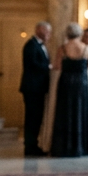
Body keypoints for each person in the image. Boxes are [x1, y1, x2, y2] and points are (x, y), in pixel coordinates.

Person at [48, 22, 88, 157]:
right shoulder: (87, 48)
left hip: (66, 82)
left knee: (65, 112)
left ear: (67, 34)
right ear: (80, 34)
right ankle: (81, 147)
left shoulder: (62, 48)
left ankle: (64, 147)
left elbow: (57, 66)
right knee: (80, 111)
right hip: (81, 82)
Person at [20, 21, 52, 157]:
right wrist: (49, 68)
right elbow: (33, 64)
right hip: (32, 88)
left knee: (36, 118)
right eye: (47, 31)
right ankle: (30, 146)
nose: (49, 35)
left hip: (38, 88)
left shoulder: (39, 45)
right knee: (32, 118)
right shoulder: (31, 45)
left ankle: (33, 144)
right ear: (39, 30)